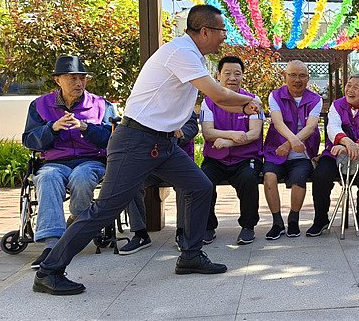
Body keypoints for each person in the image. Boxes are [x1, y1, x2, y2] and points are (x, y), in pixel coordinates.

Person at [32, 4, 262, 295]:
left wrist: (242, 103)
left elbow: (206, 99)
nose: (223, 38)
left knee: (200, 187)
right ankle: (49, 271)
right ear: (204, 31)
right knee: (105, 210)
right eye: (221, 31)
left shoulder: (192, 57)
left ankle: (190, 255)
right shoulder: (182, 53)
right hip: (136, 141)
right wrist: (246, 101)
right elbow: (217, 94)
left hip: (162, 142)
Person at [23, 55, 118, 269]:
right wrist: (52, 128)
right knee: (47, 178)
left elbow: (114, 138)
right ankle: (52, 245)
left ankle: (76, 219)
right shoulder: (40, 105)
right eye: (72, 78)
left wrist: (85, 127)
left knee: (82, 177)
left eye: (82, 78)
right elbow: (29, 139)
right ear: (58, 80)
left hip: (90, 161)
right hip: (54, 162)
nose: (78, 83)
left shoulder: (101, 104)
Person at [306, 73, 359, 237]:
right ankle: (320, 219)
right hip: (336, 152)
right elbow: (333, 128)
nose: (350, 90)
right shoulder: (336, 105)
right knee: (321, 176)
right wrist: (346, 143)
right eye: (349, 85)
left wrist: (354, 147)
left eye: (356, 87)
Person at [200, 56, 264, 245]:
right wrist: (232, 134)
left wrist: (229, 142)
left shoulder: (253, 101)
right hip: (215, 159)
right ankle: (208, 227)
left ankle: (248, 226)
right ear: (218, 75)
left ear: (243, 76)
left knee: (248, 179)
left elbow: (254, 133)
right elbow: (208, 133)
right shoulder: (208, 102)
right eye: (227, 73)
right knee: (204, 181)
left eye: (237, 73)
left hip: (245, 158)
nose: (232, 78)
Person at [118, 111, 199, 255]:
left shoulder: (184, 105)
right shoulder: (147, 105)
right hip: (150, 165)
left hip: (178, 163)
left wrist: (180, 133)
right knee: (130, 183)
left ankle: (182, 232)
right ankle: (140, 233)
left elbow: (192, 127)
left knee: (185, 186)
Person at [262, 60, 322, 240]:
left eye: (302, 76)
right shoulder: (275, 96)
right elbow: (278, 122)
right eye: (293, 75)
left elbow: (311, 126)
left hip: (302, 153)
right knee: (269, 177)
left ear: (308, 78)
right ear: (285, 76)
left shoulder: (315, 99)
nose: (297, 80)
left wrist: (290, 144)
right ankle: (277, 222)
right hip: (276, 151)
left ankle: (293, 219)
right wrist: (291, 141)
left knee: (299, 179)